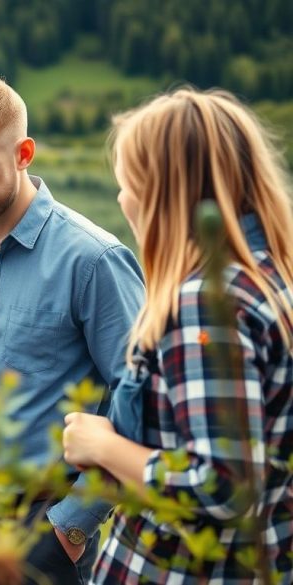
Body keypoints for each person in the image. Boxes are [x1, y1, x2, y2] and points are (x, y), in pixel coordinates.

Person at [0, 74, 146, 584]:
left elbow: (139, 400)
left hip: (47, 527)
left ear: (24, 153)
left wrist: (71, 528)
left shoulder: (94, 260)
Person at [62, 88, 293, 583]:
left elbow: (223, 486)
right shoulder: (271, 282)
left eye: (126, 184)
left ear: (159, 192)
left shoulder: (208, 305)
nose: (122, 199)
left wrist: (100, 445)